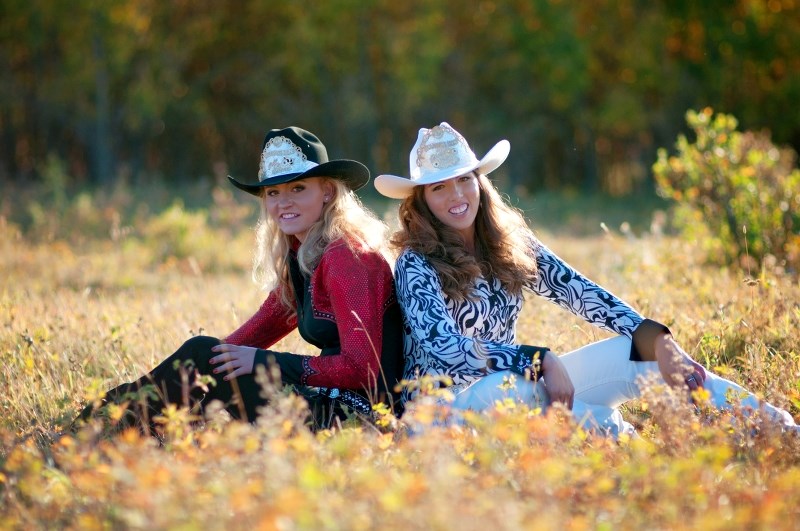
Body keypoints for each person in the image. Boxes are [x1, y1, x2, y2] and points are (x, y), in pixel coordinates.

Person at [373, 121, 796, 435]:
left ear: (479, 182)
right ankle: (619, 439)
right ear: (421, 200)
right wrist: (535, 359)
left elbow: (580, 292)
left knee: (639, 351)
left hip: (520, 390)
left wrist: (654, 335)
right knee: (505, 384)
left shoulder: (508, 241)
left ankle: (775, 426)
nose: (456, 196)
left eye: (464, 179)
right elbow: (447, 350)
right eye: (438, 187)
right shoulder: (416, 263)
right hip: (443, 415)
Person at [75, 126, 404, 433]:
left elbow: (363, 368)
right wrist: (206, 362)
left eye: (298, 188)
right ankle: (109, 421)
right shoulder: (304, 254)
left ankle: (101, 423)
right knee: (205, 352)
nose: (283, 201)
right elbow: (248, 337)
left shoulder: (348, 256)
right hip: (324, 402)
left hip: (359, 418)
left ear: (328, 192)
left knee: (206, 353)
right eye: (273, 192)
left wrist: (264, 361)